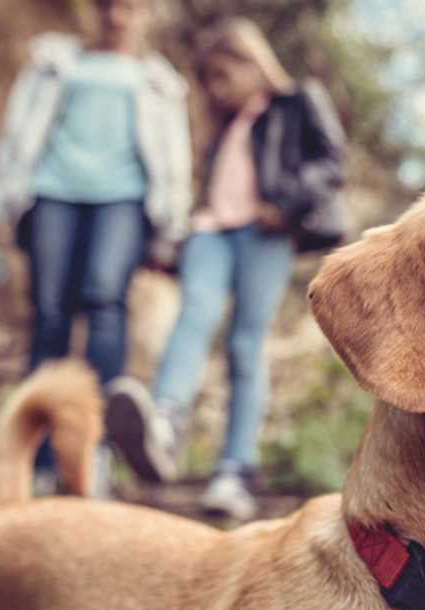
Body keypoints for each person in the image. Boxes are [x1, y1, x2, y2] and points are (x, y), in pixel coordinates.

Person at [105, 17, 347, 521]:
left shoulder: (297, 101)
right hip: (212, 231)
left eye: (222, 76)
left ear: (250, 62)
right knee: (192, 315)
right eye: (209, 81)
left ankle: (235, 470)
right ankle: (165, 426)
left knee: (244, 343)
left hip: (265, 232)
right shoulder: (225, 129)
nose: (216, 91)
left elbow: (331, 161)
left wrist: (286, 203)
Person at [0, 0, 192, 498]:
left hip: (124, 200)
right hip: (51, 193)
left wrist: (171, 226)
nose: (118, 17)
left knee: (105, 302)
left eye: (130, 9)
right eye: (109, 7)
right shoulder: (53, 62)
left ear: (146, 16)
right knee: (48, 318)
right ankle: (36, 462)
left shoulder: (159, 82)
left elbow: (174, 158)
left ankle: (94, 454)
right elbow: (16, 139)